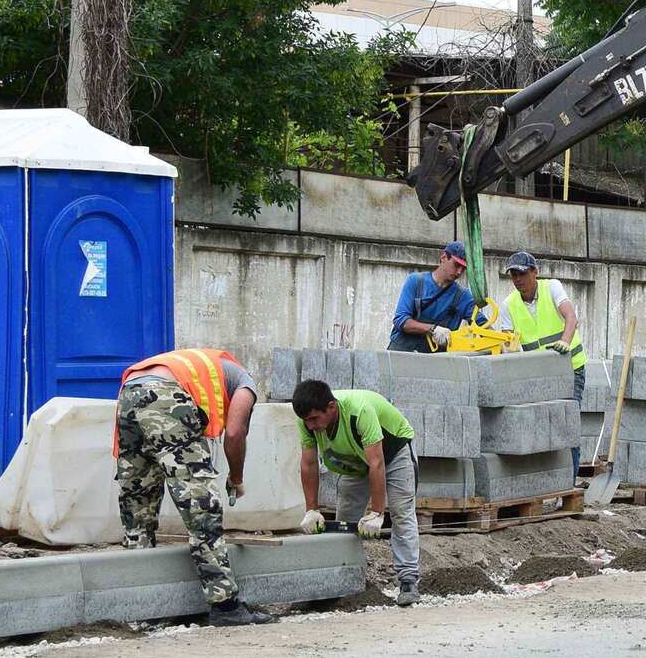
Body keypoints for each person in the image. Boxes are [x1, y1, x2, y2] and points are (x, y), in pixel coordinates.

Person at [114, 348, 272, 627]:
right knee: (201, 506)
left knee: (138, 502)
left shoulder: (206, 365)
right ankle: (225, 605)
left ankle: (142, 608)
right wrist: (236, 478)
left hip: (130, 390)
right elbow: (235, 432)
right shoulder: (245, 383)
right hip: (165, 393)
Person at [292, 380, 423, 607]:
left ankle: (408, 580)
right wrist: (311, 509)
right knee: (344, 521)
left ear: (331, 407)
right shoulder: (306, 422)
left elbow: (377, 463)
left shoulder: (359, 411)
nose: (311, 425)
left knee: (402, 512)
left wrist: (377, 513)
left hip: (392, 453)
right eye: (307, 420)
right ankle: (340, 581)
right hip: (355, 459)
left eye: (315, 419)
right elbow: (309, 463)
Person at [489, 251, 587, 471]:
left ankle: (568, 483)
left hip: (571, 369)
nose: (517, 280)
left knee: (566, 425)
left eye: (522, 274)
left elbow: (571, 317)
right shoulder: (509, 305)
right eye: (513, 275)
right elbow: (508, 345)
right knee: (543, 428)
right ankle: (549, 481)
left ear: (535, 272)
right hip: (542, 376)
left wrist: (565, 341)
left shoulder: (551, 287)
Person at [389, 240, 481, 353]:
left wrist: (501, 343)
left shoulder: (463, 297)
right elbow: (401, 320)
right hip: (401, 356)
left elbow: (482, 325)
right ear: (443, 257)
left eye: (463, 269)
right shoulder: (416, 282)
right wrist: (432, 329)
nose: (459, 272)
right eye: (456, 265)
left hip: (436, 363)